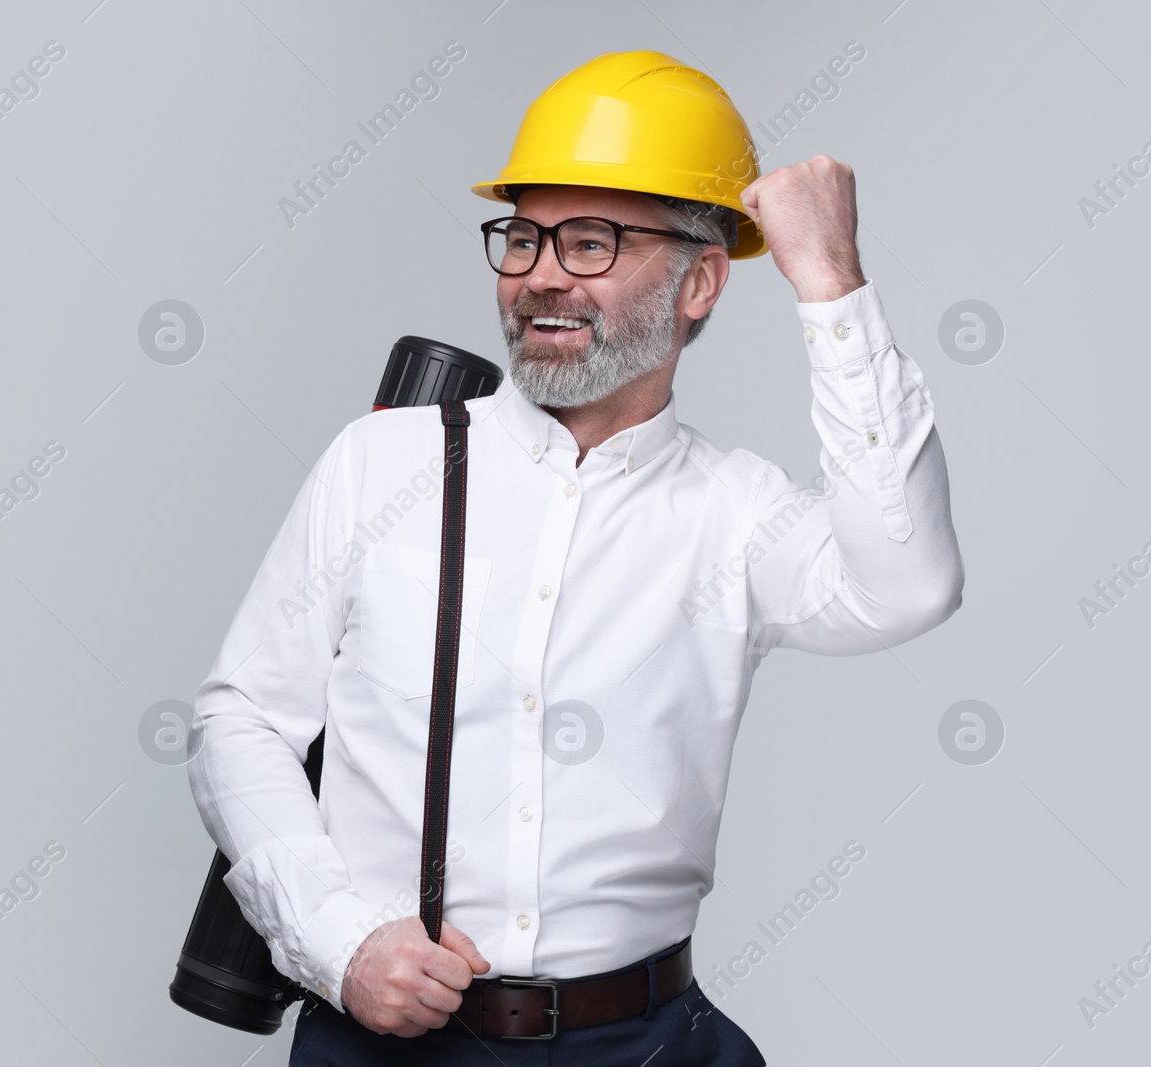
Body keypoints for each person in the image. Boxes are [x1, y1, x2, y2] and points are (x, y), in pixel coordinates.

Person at [188, 51, 963, 1065]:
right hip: (386, 1042)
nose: (542, 272)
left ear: (699, 281)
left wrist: (829, 284)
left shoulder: (736, 512)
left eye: (591, 241)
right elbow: (240, 718)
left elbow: (907, 582)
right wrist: (337, 941)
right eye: (521, 236)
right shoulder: (380, 463)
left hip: (646, 1042)